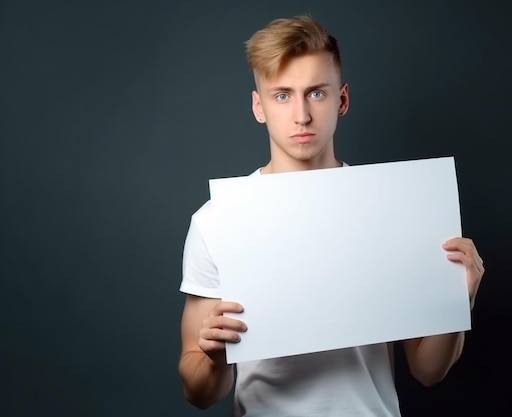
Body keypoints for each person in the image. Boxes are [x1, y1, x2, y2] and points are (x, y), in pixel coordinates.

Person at [177, 15, 485, 416]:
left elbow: (428, 370)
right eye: (282, 95)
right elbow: (198, 391)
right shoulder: (217, 219)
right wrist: (215, 357)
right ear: (259, 106)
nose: (301, 115)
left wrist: (458, 299)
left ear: (341, 99)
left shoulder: (393, 207)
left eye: (316, 94)